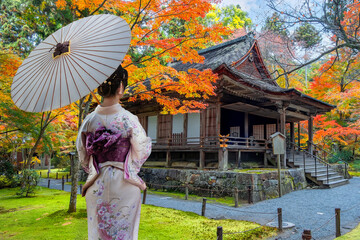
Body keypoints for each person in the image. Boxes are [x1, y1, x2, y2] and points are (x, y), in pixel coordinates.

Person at [76, 65, 151, 240]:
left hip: (97, 184)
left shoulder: (89, 121)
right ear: (120, 88)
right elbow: (142, 150)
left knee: (99, 233)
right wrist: (128, 166)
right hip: (124, 183)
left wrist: (95, 168)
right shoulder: (128, 119)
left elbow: (82, 154)